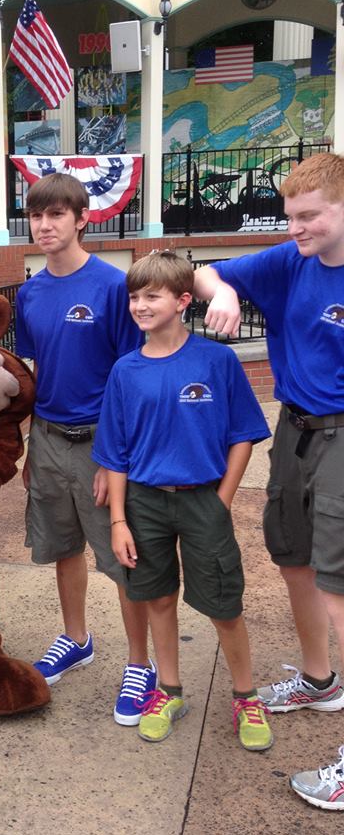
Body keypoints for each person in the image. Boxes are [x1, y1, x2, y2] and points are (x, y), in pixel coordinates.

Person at [193, 152, 344, 802]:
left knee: (339, 587)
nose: (298, 228)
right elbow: (199, 273)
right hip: (296, 428)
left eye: (309, 217)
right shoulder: (290, 261)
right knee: (295, 565)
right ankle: (320, 681)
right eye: (291, 217)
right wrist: (222, 289)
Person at [93, 250, 273, 750]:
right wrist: (118, 521)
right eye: (134, 296)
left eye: (152, 296)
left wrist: (222, 499)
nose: (139, 305)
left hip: (202, 500)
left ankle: (246, 697)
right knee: (157, 597)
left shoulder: (215, 360)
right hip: (145, 503)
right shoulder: (125, 372)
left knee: (224, 603)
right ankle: (168, 691)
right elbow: (116, 453)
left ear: (183, 301)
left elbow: (242, 433)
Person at [15, 172, 153, 726]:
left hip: (101, 443)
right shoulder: (29, 292)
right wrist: (29, 445)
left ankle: (140, 663)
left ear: (82, 219)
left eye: (56, 215)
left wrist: (113, 457)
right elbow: (37, 370)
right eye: (36, 215)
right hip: (47, 439)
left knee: (123, 560)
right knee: (62, 546)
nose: (44, 226)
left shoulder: (112, 287)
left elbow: (133, 374)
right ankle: (76, 638)